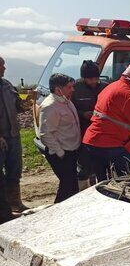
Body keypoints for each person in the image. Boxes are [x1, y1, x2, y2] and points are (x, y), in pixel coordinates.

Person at [39, 74, 81, 203]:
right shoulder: (50, 106)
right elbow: (45, 134)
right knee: (67, 187)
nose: (72, 90)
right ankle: (57, 213)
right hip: (61, 153)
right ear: (58, 90)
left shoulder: (65, 100)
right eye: (69, 87)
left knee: (72, 186)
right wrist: (60, 152)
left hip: (71, 150)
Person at [0, 56, 33, 212]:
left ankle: (15, 204)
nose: (5, 68)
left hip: (13, 135)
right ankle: (3, 209)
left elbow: (18, 106)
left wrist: (27, 101)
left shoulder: (6, 85)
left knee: (15, 170)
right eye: (2, 65)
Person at [71, 60, 107, 189]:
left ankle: (98, 186)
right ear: (83, 77)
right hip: (84, 131)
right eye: (90, 79)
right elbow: (70, 109)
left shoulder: (105, 87)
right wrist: (82, 114)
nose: (93, 81)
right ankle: (83, 189)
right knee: (85, 164)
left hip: (103, 132)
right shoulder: (75, 89)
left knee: (101, 163)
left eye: (96, 78)